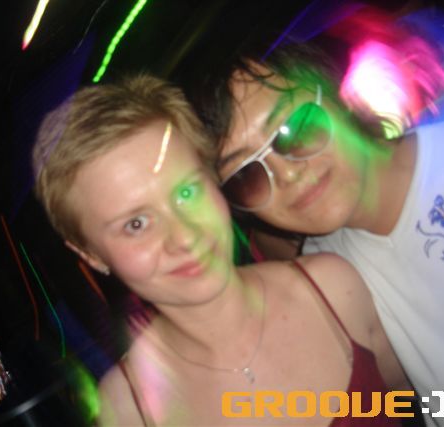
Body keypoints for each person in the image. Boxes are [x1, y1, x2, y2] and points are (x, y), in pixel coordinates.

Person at [184, 16, 444, 427]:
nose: (288, 173)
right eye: (247, 175)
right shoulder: (329, 289)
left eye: (296, 129)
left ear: (334, 95)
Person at [32, 74, 410, 426]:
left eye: (187, 191)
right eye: (136, 224)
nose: (186, 237)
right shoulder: (127, 408)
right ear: (92, 256)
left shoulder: (335, 289)